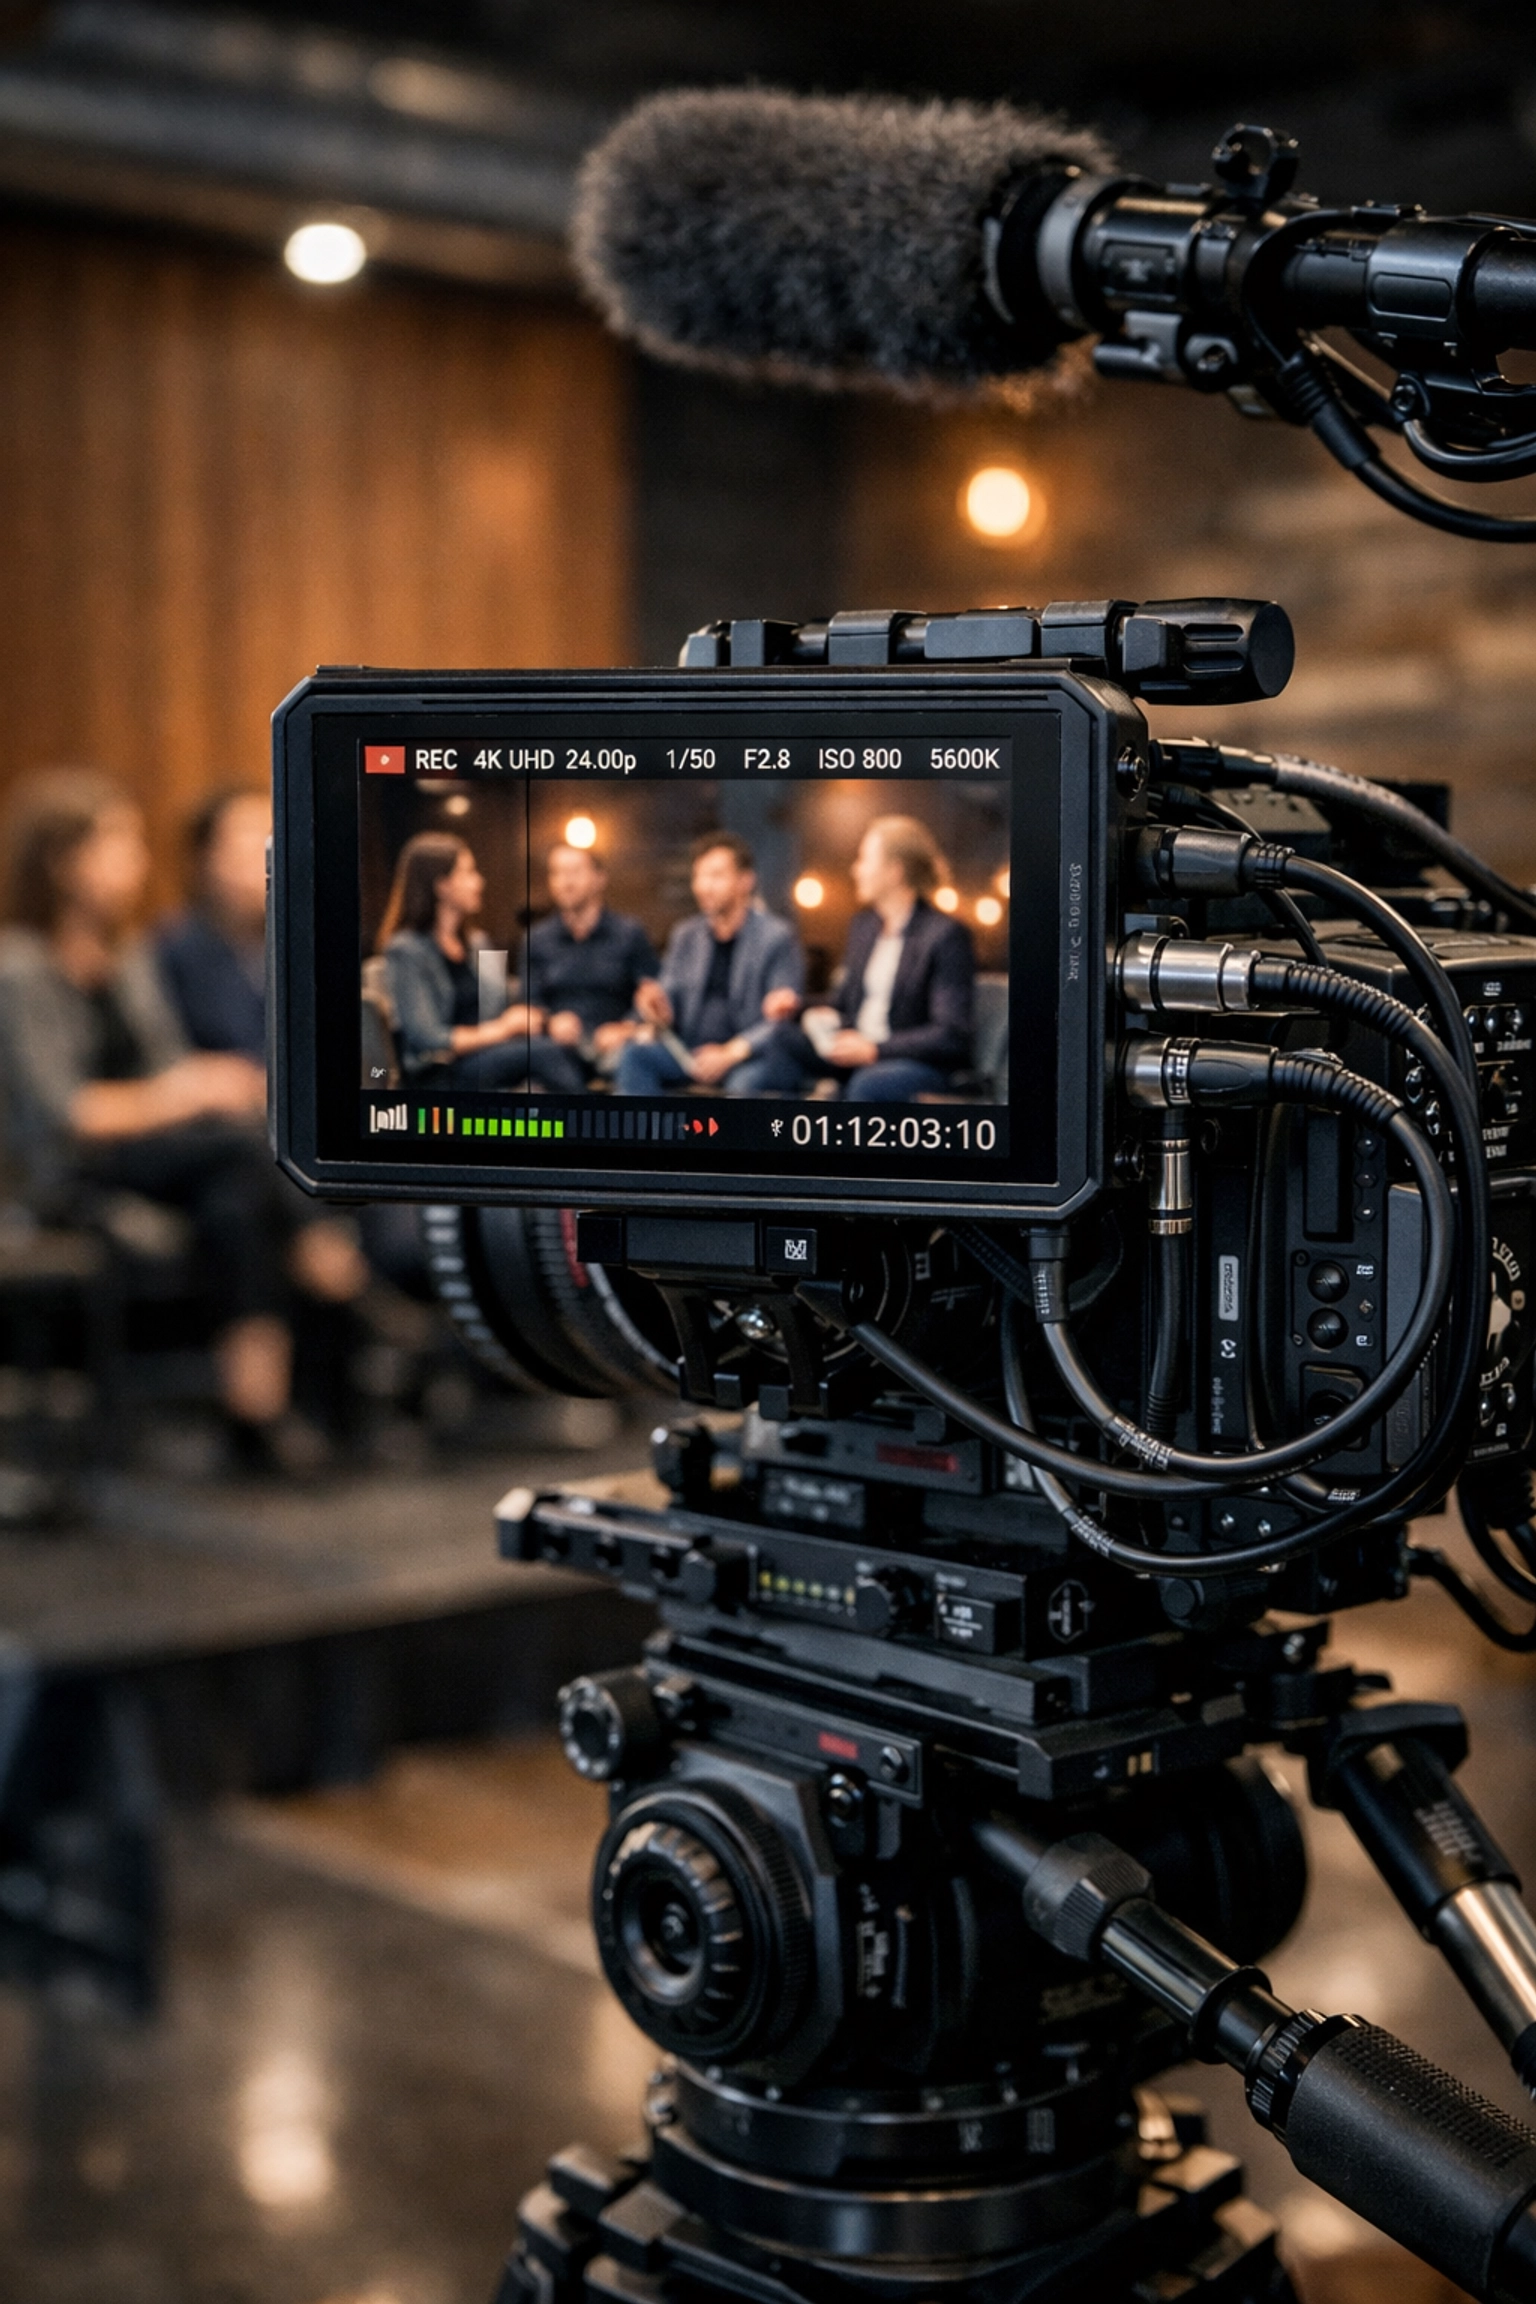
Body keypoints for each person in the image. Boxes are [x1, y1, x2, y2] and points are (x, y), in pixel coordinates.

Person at [0, 769, 360, 1463]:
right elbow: (61, 1113)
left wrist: (195, 1087)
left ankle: (254, 1416)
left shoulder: (125, 956)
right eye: (117, 843)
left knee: (235, 1198)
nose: (135, 861)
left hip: (150, 1160)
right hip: (63, 1175)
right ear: (62, 860)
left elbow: (164, 1065)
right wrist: (186, 1092)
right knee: (242, 1149)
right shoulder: (19, 968)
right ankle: (325, 1254)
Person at [758, 815, 974, 1099]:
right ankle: (778, 1136)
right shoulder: (864, 927)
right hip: (855, 1051)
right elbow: (844, 1003)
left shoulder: (945, 935)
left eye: (864, 860)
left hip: (911, 1063)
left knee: (867, 1084)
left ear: (894, 871)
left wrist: (875, 1049)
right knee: (781, 1038)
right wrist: (796, 1006)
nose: (855, 870)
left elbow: (950, 1033)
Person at [378, 832, 585, 1095]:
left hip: (487, 1057)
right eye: (469, 872)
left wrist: (542, 1020)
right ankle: (600, 1127)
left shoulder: (478, 942)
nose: (479, 882)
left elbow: (503, 1008)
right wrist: (504, 1028)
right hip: (440, 1071)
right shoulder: (405, 950)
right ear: (442, 885)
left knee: (556, 1046)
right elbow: (428, 1038)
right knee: (543, 1053)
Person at [616, 831, 803, 1095]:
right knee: (636, 1056)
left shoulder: (776, 937)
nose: (704, 886)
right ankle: (651, 1135)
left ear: (745, 881)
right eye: (699, 877)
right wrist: (657, 1007)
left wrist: (729, 1053)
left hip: (747, 1055)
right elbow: (669, 995)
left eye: (716, 876)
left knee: (744, 1084)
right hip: (692, 1053)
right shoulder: (686, 935)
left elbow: (780, 1022)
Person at [521, 844, 659, 1077]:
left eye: (574, 872)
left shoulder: (629, 933)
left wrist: (625, 1028)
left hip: (616, 1044)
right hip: (558, 1048)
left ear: (599, 879)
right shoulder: (536, 939)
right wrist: (550, 1022)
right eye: (557, 873)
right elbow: (529, 1002)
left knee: (632, 1060)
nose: (566, 882)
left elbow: (652, 996)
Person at [156, 787, 269, 1063]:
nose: (263, 866)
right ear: (205, 858)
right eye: (245, 852)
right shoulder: (170, 951)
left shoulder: (310, 944)